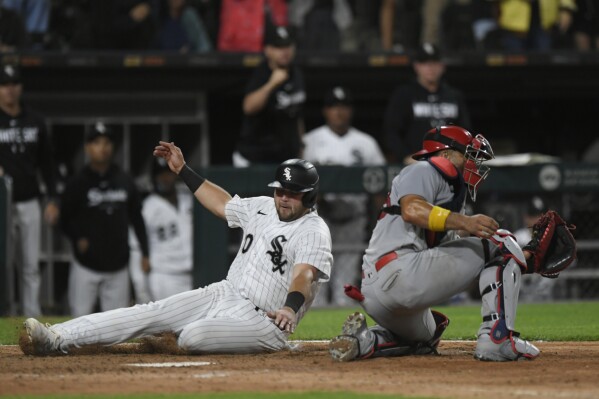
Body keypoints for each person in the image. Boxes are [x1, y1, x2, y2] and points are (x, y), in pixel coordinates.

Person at [22, 142, 333, 356]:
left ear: (309, 197)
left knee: (193, 336)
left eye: (293, 193)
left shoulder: (313, 230)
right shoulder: (264, 206)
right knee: (149, 312)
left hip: (264, 320)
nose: (283, 198)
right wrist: (183, 169)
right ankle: (57, 337)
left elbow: (304, 275)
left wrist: (291, 308)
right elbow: (223, 204)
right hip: (224, 293)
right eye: (280, 190)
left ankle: (178, 338)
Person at [329, 125, 544, 362]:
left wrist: (521, 257)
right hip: (398, 272)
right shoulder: (422, 169)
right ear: (444, 154)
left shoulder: (448, 191)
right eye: (467, 154)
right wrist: (468, 224)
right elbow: (412, 209)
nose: (473, 163)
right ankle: (498, 339)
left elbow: (457, 255)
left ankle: (364, 340)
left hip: (385, 291)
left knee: (426, 338)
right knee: (501, 240)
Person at [303, 86, 386, 306]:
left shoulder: (366, 143)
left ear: (351, 110)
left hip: (353, 221)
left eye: (343, 107)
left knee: (343, 291)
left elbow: (380, 185)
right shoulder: (310, 141)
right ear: (325, 111)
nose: (339, 112)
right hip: (320, 222)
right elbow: (299, 185)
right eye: (333, 107)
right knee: (316, 291)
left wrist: (379, 223)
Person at [58, 122, 150, 317]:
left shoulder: (124, 180)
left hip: (118, 263)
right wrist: (77, 237)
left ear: (113, 147)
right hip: (86, 264)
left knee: (116, 325)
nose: (103, 148)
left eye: (107, 143)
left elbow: (137, 217)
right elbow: (63, 218)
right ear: (88, 147)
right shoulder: (77, 182)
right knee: (79, 320)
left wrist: (145, 251)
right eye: (97, 142)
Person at [0, 64, 58, 317]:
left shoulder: (35, 121)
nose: (9, 90)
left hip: (29, 199)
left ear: (20, 88)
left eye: (13, 85)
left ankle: (30, 316)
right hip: (2, 203)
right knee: (5, 261)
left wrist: (53, 198)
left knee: (30, 264)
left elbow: (48, 163)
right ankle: (6, 312)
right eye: (4, 85)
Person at [383, 43, 471, 165]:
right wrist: (405, 157)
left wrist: (459, 155)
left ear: (442, 66)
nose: (430, 68)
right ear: (416, 66)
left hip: (448, 165)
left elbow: (465, 131)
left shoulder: (454, 96)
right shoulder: (404, 95)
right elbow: (392, 132)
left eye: (434, 63)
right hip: (415, 163)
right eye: (425, 63)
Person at [233, 25, 306, 167]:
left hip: (284, 158)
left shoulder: (296, 74)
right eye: (279, 47)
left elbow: (297, 114)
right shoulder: (261, 73)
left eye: (288, 46)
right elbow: (248, 107)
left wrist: (300, 146)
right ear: (268, 50)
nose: (285, 51)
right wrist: (271, 84)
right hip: (254, 158)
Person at [140, 157, 194, 300]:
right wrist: (141, 289)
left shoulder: (189, 199)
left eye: (169, 173)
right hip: (164, 276)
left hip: (193, 273)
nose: (165, 178)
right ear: (154, 178)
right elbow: (136, 249)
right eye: (161, 174)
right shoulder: (147, 207)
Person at [513, 196, 556, 302]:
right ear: (526, 217)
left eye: (542, 216)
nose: (538, 220)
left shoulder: (555, 238)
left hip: (551, 297)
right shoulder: (517, 238)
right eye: (534, 216)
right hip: (521, 296)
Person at [497, 0, 576, 51]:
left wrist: (566, 9)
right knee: (514, 67)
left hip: (545, 24)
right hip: (513, 25)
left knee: (544, 66)